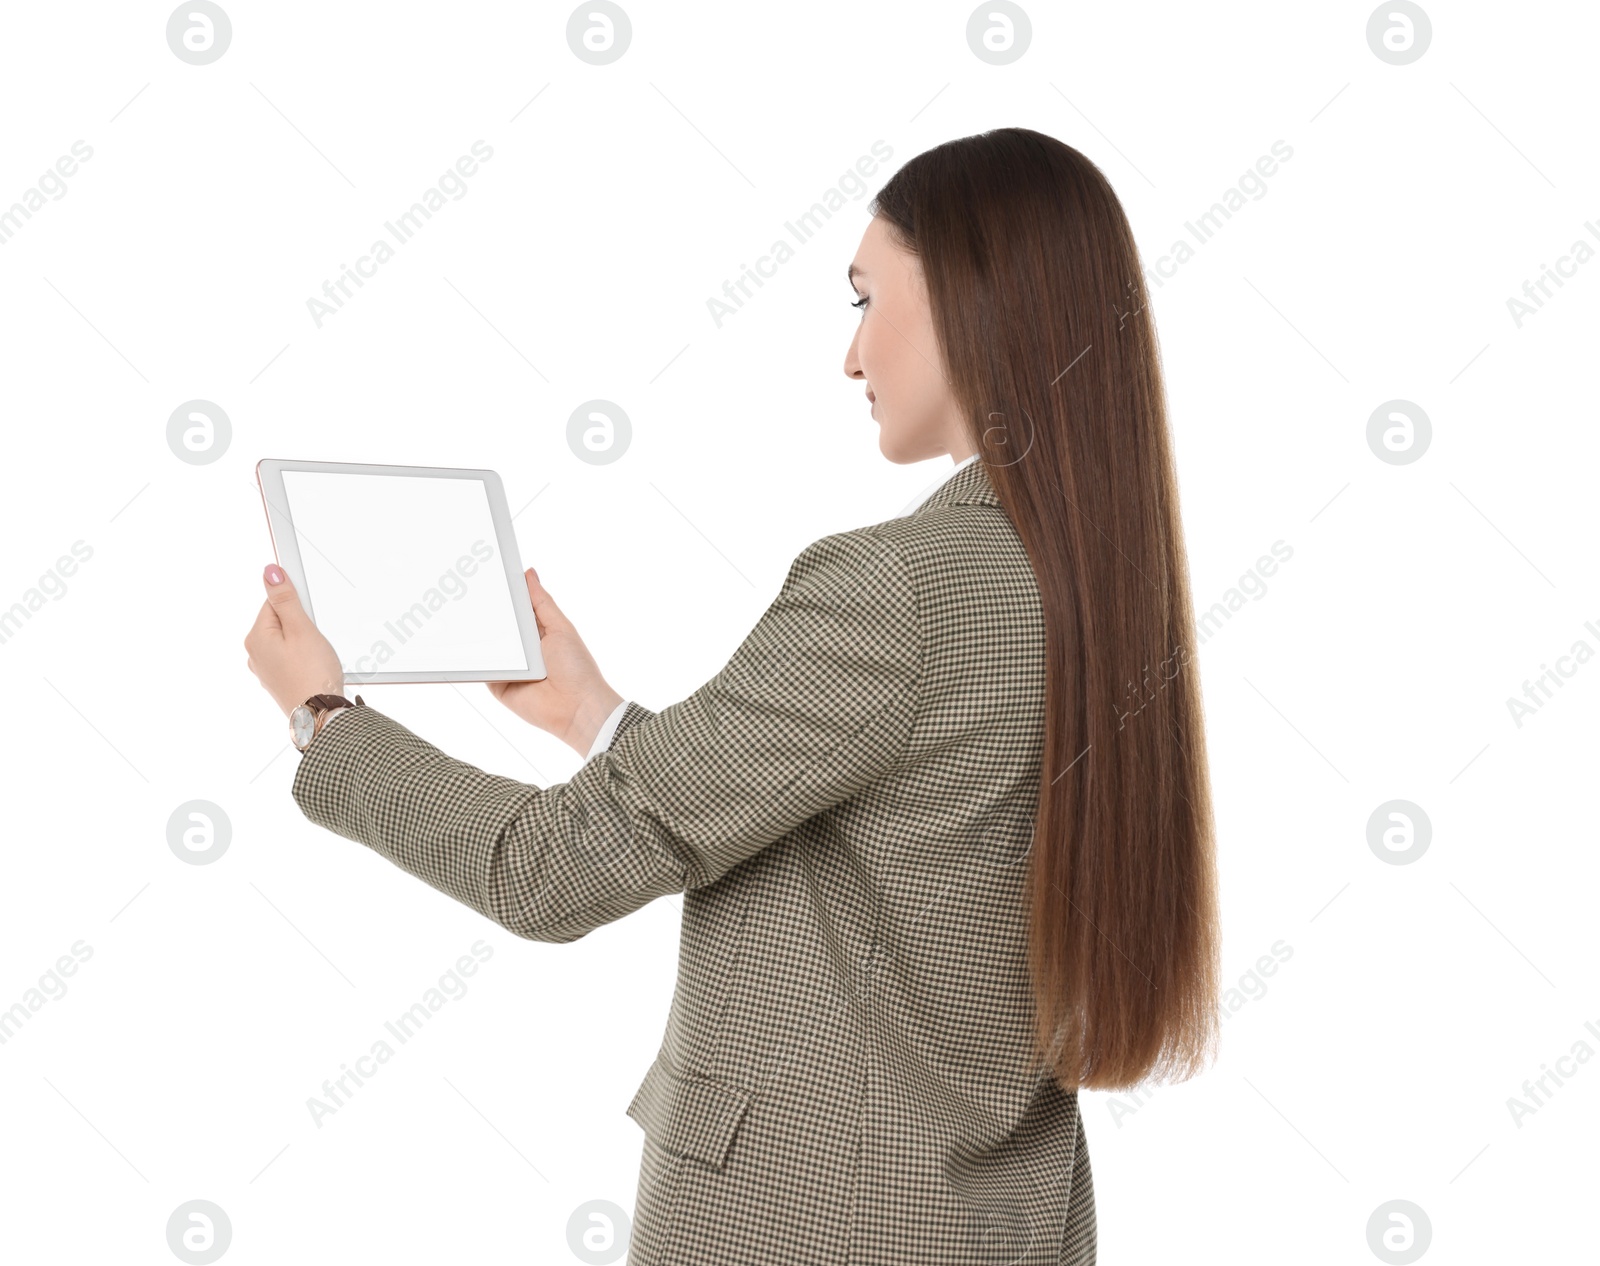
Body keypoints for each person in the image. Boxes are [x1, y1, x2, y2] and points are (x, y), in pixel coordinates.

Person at [244, 126, 1221, 1266]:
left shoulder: (893, 586)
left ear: (971, 298)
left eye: (863, 301)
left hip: (810, 1227)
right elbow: (873, 836)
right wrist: (589, 713)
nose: (850, 359)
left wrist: (326, 723)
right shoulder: (1091, 585)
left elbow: (546, 872)